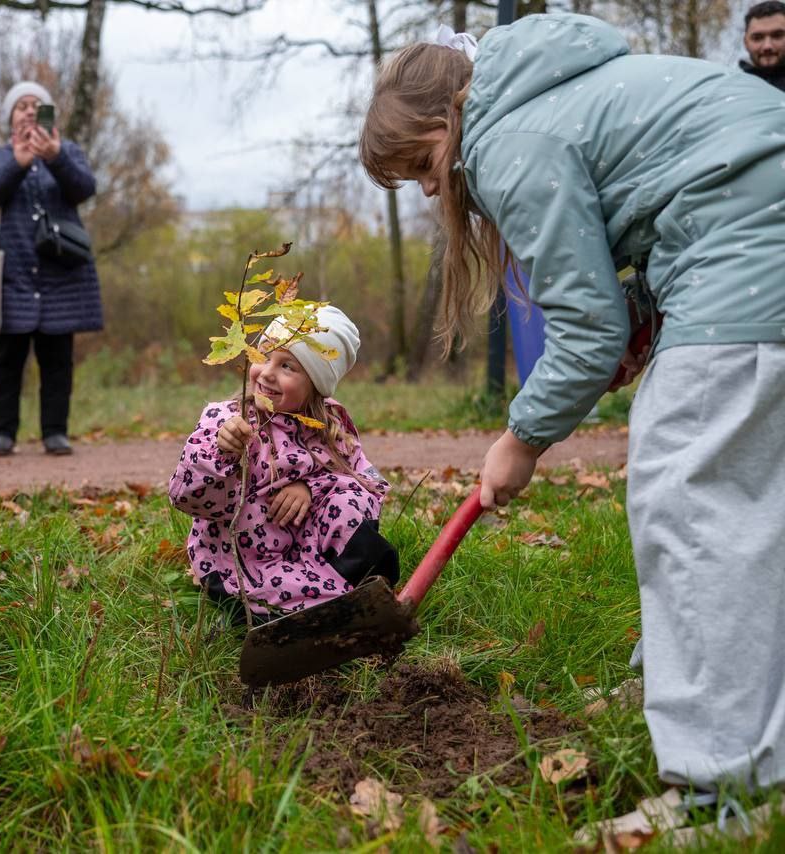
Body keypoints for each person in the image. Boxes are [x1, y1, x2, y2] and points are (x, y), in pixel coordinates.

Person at [359, 11, 785, 834]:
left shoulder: (509, 140)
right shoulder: (558, 96)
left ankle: (722, 788)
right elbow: (681, 189)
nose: (430, 188)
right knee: (746, 506)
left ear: (446, 117)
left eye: (421, 164)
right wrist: (643, 310)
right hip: (750, 241)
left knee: (690, 507)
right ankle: (689, 680)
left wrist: (520, 438)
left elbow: (583, 331)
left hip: (747, 258)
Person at [168, 306, 398, 619]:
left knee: (348, 498)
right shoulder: (228, 420)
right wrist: (222, 453)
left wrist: (311, 487)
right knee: (286, 599)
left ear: (316, 385)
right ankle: (309, 612)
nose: (267, 372)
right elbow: (186, 496)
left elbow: (368, 484)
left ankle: (360, 583)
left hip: (308, 548)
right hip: (246, 558)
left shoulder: (329, 426)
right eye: (263, 355)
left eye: (287, 366)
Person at [0, 81, 103, 458]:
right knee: (6, 361)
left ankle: (55, 432)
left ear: (48, 116)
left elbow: (84, 189)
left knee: (58, 362)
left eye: (37, 105)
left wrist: (56, 156)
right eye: (21, 106)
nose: (29, 110)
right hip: (9, 277)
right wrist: (19, 162)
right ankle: (3, 433)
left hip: (61, 276)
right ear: (10, 118)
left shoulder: (68, 151)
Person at [742, 1, 785, 90]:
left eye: (777, 35)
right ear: (746, 42)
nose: (767, 46)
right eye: (757, 38)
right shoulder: (733, 89)